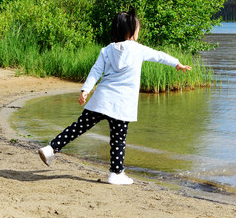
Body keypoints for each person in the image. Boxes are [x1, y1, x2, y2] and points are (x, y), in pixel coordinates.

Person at [38, 10, 192, 185]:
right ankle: (116, 173)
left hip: (102, 100)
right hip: (121, 104)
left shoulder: (107, 50)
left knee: (78, 127)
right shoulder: (139, 49)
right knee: (118, 139)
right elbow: (159, 56)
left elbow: (95, 71)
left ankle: (51, 148)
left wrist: (85, 90)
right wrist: (177, 63)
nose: (138, 31)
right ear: (130, 32)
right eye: (138, 28)